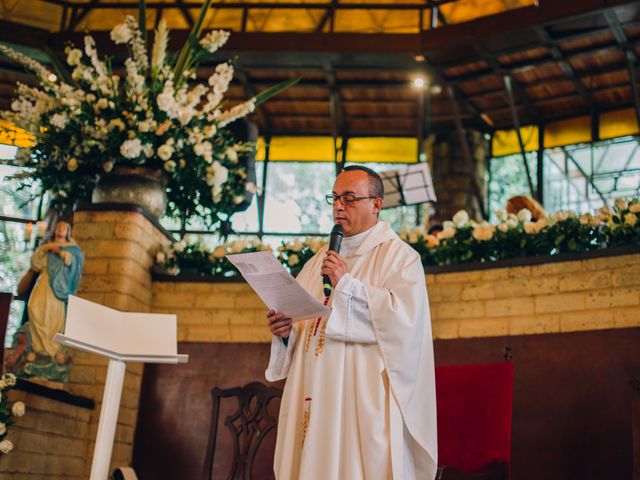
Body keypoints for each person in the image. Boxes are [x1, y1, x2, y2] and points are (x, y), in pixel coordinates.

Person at [265, 166, 438, 479]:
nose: (338, 206)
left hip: (361, 398)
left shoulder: (401, 258)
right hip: (315, 390)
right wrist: (288, 333)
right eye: (334, 198)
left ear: (376, 204)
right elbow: (309, 326)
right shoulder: (318, 261)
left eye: (348, 198)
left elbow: (403, 323)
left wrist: (345, 283)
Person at [6, 220, 84, 386]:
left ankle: (50, 350)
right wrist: (45, 250)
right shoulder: (46, 245)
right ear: (55, 229)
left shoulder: (73, 249)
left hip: (59, 289)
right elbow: (35, 264)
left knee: (53, 318)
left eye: (65, 227)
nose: (61, 229)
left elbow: (75, 265)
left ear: (68, 230)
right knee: (34, 308)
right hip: (44, 283)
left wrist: (60, 253)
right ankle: (36, 346)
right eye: (59, 226)